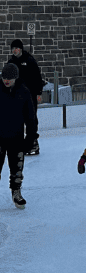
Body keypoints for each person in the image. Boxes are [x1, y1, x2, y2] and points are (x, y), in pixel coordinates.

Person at [0, 63, 38, 209]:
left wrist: (30, 138)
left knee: (17, 169)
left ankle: (16, 192)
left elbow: (30, 118)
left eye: (9, 78)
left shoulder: (23, 91)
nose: (6, 80)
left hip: (16, 137)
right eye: (4, 77)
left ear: (15, 78)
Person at [8, 39, 44, 155]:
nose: (15, 50)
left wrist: (39, 92)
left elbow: (37, 77)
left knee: (31, 120)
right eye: (13, 48)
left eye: (16, 48)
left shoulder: (29, 60)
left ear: (21, 49)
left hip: (30, 95)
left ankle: (32, 143)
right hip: (16, 96)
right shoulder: (11, 63)